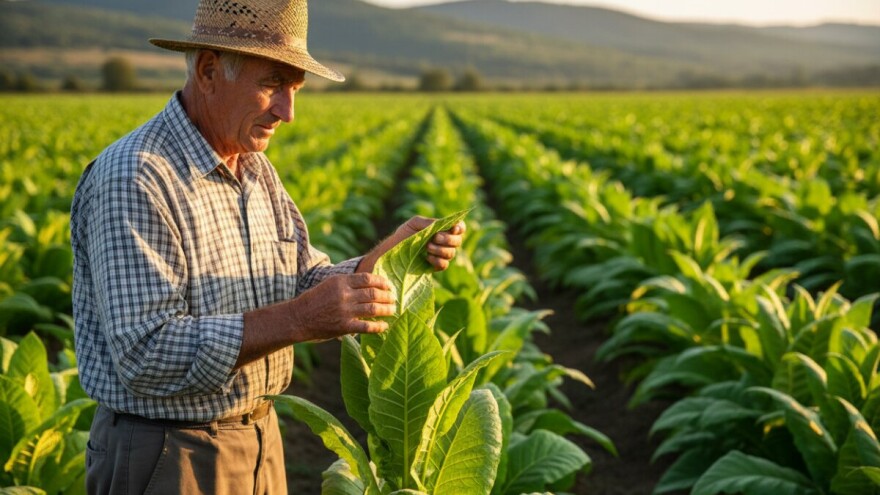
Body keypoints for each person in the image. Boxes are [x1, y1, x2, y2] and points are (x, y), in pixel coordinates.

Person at [69, 0, 465, 493]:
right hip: (170, 455)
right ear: (210, 70)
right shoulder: (136, 177)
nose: (288, 112)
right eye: (272, 84)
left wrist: (392, 257)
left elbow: (302, 279)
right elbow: (147, 355)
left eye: (295, 89)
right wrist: (298, 320)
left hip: (260, 438)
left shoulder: (254, 169)